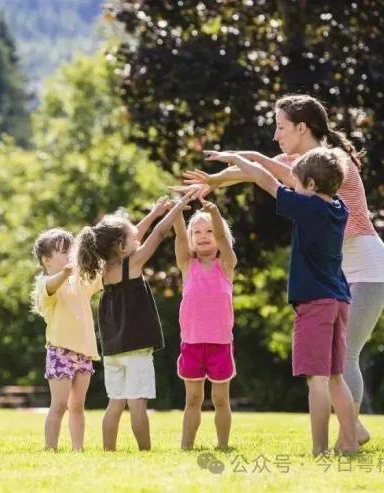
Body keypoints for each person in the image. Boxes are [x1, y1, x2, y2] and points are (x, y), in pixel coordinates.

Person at [205, 147, 358, 455]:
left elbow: (268, 182)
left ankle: (319, 449)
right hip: (339, 299)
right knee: (335, 377)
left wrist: (239, 160)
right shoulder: (339, 208)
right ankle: (351, 443)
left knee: (316, 379)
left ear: (311, 185)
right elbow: (291, 178)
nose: (293, 186)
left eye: (298, 183)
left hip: (315, 301)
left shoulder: (308, 208)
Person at [76, 191, 196, 450]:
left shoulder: (106, 269)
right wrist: (177, 208)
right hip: (136, 347)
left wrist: (154, 212)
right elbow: (159, 234)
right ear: (121, 247)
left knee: (115, 403)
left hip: (113, 350)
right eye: (132, 238)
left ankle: (109, 451)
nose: (137, 238)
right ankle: (145, 451)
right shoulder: (132, 264)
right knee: (138, 403)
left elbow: (135, 235)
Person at [173, 197, 237, 450]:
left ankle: (223, 446)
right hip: (192, 344)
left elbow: (222, 238)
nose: (203, 236)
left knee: (221, 400)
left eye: (209, 231)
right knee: (193, 399)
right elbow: (180, 237)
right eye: (197, 232)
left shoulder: (227, 265)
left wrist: (215, 214)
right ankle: (186, 446)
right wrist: (177, 213)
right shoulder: (187, 266)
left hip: (220, 345)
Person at [32, 228, 102, 451]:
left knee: (78, 405)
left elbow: (100, 274)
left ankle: (77, 448)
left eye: (71, 251)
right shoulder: (45, 283)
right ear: (47, 260)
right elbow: (50, 287)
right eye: (63, 252)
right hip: (60, 351)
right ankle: (50, 447)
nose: (69, 256)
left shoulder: (78, 282)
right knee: (60, 404)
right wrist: (65, 273)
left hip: (84, 352)